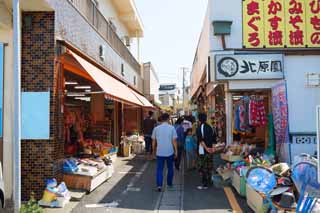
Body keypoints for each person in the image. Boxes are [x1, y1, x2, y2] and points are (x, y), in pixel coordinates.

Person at [152, 113, 178, 192]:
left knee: (159, 169)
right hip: (169, 151)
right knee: (170, 168)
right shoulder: (172, 128)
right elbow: (174, 141)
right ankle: (169, 183)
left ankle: (159, 185)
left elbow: (153, 142)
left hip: (160, 152)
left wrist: (153, 151)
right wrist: (176, 151)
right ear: (168, 119)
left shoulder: (156, 128)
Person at [196, 113, 217, 190]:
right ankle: (209, 181)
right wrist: (213, 148)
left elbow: (201, 140)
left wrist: (206, 148)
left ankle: (205, 184)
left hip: (203, 150)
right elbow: (214, 139)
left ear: (199, 119)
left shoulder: (199, 128)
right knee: (209, 166)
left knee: (203, 167)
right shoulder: (211, 127)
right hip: (211, 150)